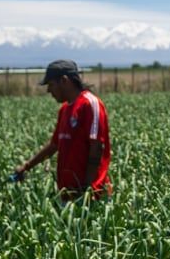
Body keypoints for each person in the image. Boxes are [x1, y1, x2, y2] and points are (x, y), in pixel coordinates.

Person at [12, 60, 112, 201]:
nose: (48, 90)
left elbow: (96, 147)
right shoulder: (65, 109)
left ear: (64, 81)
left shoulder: (89, 103)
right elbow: (54, 145)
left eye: (51, 84)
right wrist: (26, 166)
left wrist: (87, 188)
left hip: (90, 195)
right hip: (68, 193)